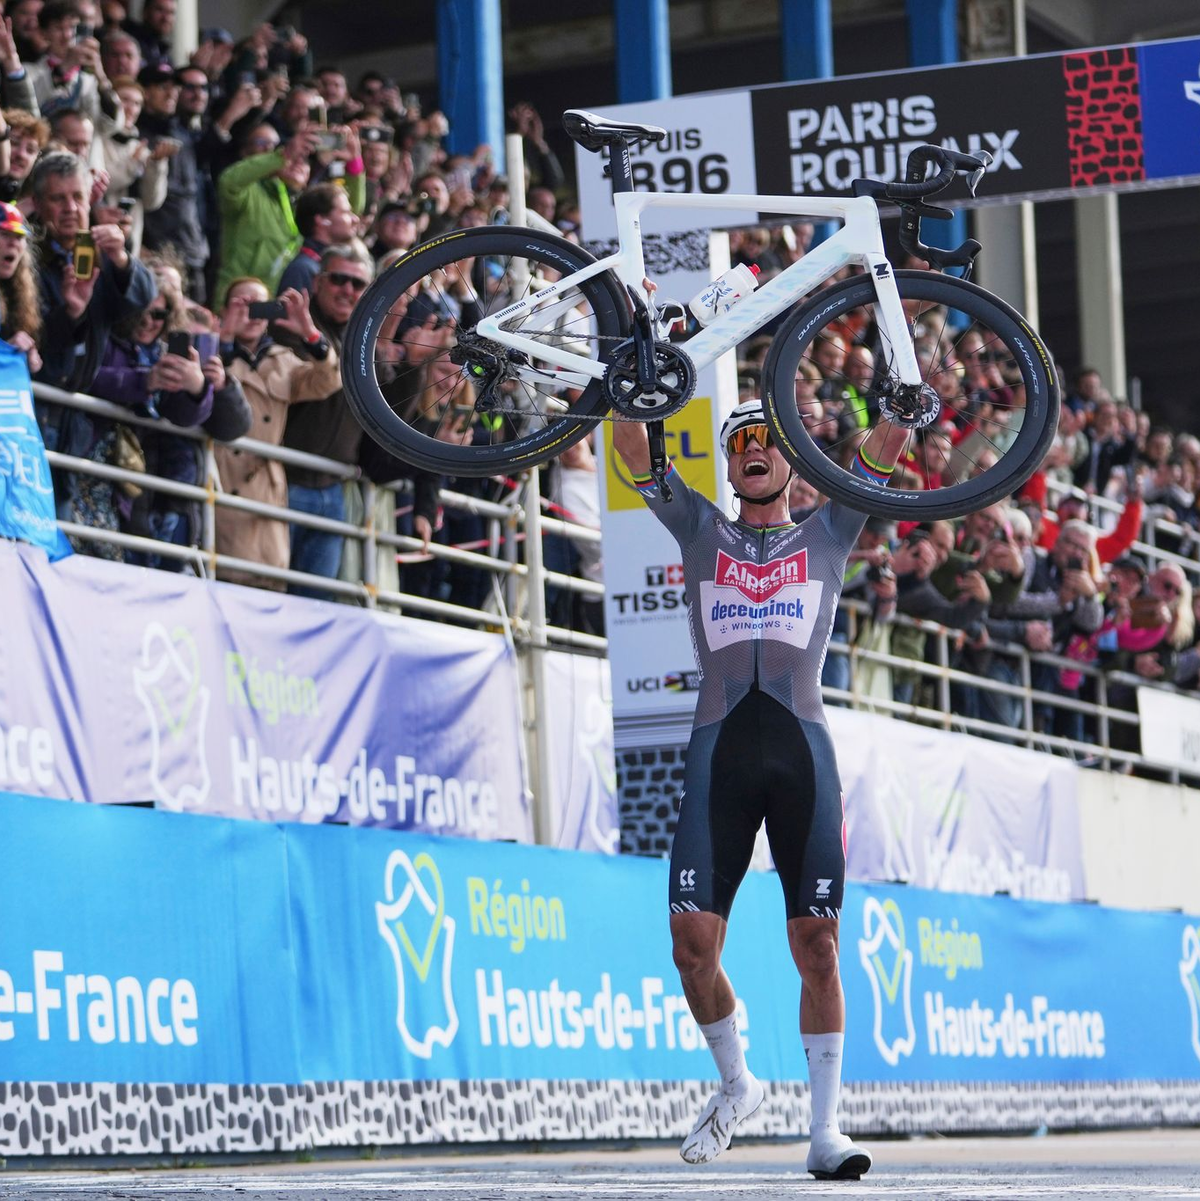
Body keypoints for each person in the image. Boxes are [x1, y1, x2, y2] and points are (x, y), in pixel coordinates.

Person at [611, 397, 909, 1181]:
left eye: (767, 438)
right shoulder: (701, 526)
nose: (752, 448)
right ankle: (738, 1083)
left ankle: (824, 1129)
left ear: (792, 457)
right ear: (730, 460)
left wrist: (903, 407)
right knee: (691, 947)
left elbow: (881, 454)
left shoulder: (831, 528)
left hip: (802, 754)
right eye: (739, 439)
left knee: (818, 946)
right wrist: (625, 391)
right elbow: (634, 452)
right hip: (720, 756)